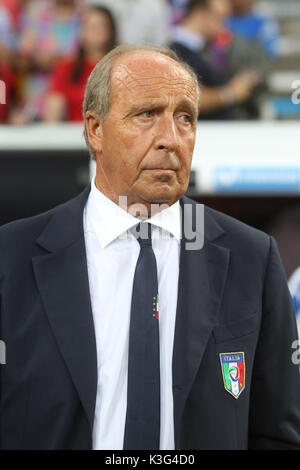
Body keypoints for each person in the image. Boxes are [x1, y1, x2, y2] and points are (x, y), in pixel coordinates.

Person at [0, 44, 300, 450]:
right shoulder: (11, 257)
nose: (170, 139)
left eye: (185, 118)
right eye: (147, 115)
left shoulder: (253, 258)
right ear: (95, 129)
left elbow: (277, 431)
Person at [169, 0, 260, 119]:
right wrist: (231, 93)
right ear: (200, 13)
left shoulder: (200, 49)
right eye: (220, 17)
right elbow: (186, 97)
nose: (224, 26)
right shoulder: (177, 52)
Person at [43, 5, 117, 122]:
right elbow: (53, 109)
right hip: (73, 135)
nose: (95, 31)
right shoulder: (66, 67)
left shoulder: (119, 66)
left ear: (110, 31)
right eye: (89, 26)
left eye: (100, 26)